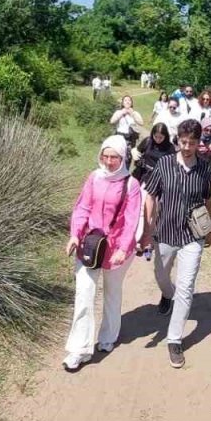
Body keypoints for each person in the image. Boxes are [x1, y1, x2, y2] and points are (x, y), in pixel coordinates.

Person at [140, 118, 211, 369]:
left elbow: (208, 200)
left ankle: (174, 339)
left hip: (192, 236)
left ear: (198, 143)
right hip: (165, 233)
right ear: (178, 140)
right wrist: (148, 228)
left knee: (186, 287)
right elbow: (150, 195)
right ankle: (165, 294)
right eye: (183, 142)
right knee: (161, 276)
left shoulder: (205, 168)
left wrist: (210, 229)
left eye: (192, 143)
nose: (187, 147)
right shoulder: (163, 164)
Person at [63, 136, 143, 371]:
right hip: (89, 245)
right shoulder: (93, 178)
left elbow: (132, 220)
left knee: (112, 292)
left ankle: (108, 336)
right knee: (84, 295)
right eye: (105, 156)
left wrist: (122, 248)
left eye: (114, 157)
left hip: (117, 249)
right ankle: (79, 349)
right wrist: (75, 234)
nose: (109, 162)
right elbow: (82, 207)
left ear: (123, 158)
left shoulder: (131, 185)